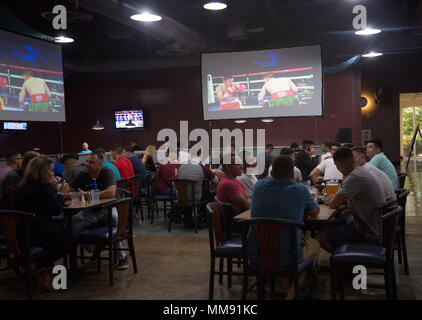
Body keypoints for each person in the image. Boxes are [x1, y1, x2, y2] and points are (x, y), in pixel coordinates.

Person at [250, 155, 320, 300]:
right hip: (289, 254)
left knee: (274, 259)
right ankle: (291, 294)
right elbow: (314, 212)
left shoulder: (258, 186)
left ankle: (284, 284)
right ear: (292, 175)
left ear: (271, 173)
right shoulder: (300, 189)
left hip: (256, 252)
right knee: (315, 246)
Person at [12, 156, 73, 291]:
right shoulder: (42, 186)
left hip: (19, 233)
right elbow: (56, 210)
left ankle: (36, 267)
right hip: (37, 231)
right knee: (70, 238)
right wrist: (60, 194)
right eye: (51, 171)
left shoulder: (21, 185)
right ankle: (40, 265)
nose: (53, 174)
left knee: (59, 234)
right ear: (43, 172)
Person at [316, 148, 385, 253]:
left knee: (320, 237)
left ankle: (344, 261)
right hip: (376, 225)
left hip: (367, 231)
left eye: (336, 165)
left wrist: (332, 199)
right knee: (333, 223)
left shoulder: (354, 177)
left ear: (340, 163)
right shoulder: (363, 171)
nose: (337, 169)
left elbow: (333, 204)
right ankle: (345, 258)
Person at [68, 151, 128, 270]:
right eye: (86, 161)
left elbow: (111, 192)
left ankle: (121, 257)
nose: (86, 164)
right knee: (73, 223)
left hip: (109, 207)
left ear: (99, 165)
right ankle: (93, 249)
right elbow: (69, 192)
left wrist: (87, 195)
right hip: (89, 211)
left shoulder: (107, 172)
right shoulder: (82, 175)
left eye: (90, 162)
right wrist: (74, 194)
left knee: (115, 219)